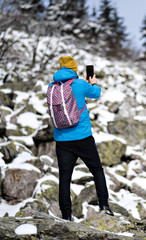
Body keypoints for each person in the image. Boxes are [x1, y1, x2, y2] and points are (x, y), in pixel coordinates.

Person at [48, 56, 113, 220]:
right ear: (74, 69)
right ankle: (104, 206)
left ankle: (66, 216)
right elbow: (97, 93)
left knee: (64, 177)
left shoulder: (52, 87)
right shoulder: (79, 84)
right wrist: (94, 82)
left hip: (62, 140)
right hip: (83, 137)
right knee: (97, 170)